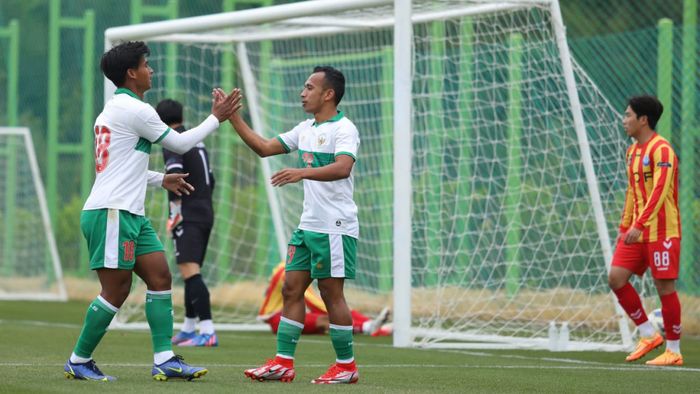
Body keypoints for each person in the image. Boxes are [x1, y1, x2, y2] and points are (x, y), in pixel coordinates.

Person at [63, 41, 240, 382]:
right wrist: (217, 118)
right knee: (116, 291)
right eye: (146, 65)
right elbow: (181, 143)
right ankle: (79, 359)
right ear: (132, 73)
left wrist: (161, 179)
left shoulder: (113, 111)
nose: (151, 70)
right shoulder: (136, 110)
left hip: (128, 212)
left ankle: (165, 359)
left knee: (160, 275)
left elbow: (120, 167)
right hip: (112, 212)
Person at [234, 66, 361, 384]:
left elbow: (343, 167)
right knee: (291, 289)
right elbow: (264, 148)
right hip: (308, 227)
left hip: (334, 226)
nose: (302, 93)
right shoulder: (305, 128)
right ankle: (283, 363)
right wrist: (231, 117)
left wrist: (301, 172)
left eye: (309, 87)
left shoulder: (344, 129)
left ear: (328, 94)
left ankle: (346, 366)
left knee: (331, 294)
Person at [608, 95, 683, 366]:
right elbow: (632, 192)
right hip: (636, 232)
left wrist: (638, 225)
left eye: (628, 115)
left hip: (662, 231)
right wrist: (625, 225)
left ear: (643, 120)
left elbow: (661, 192)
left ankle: (673, 350)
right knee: (616, 277)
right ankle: (649, 334)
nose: (624, 120)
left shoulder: (661, 150)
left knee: (664, 287)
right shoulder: (632, 152)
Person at [156, 99, 218, 347]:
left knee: (190, 272)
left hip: (188, 213)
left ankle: (208, 330)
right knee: (189, 270)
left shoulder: (173, 142)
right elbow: (210, 180)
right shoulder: (196, 139)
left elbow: (175, 176)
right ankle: (190, 327)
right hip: (205, 209)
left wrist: (176, 211)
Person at [258, 262, 391, 336]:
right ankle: (366, 327)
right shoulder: (290, 272)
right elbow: (314, 303)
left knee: (330, 314)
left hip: (281, 315)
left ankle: (377, 328)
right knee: (327, 318)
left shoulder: (292, 268)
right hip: (277, 318)